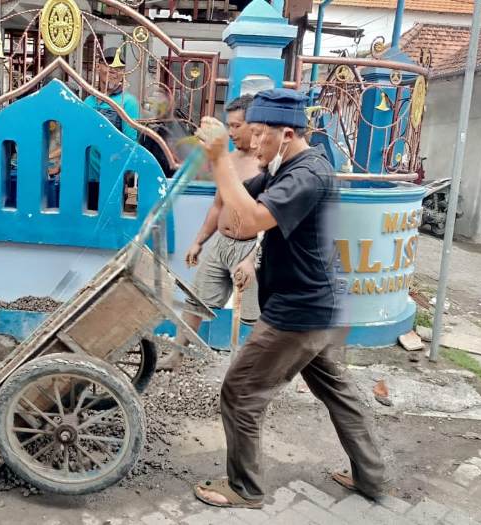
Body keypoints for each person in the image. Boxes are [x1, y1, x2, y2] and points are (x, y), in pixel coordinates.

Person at [192, 89, 387, 509]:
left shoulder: (307, 174)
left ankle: (245, 489)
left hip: (300, 310)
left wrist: (221, 159)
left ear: (285, 133)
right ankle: (372, 478)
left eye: (259, 134)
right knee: (339, 393)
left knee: (241, 391)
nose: (252, 143)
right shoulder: (282, 167)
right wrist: (218, 159)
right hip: (320, 307)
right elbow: (235, 211)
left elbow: (252, 219)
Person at [157, 94, 261, 371]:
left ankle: (242, 372)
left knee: (250, 315)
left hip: (252, 247)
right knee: (196, 301)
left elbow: (271, 219)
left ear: (254, 125)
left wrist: (252, 259)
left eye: (237, 126)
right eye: (229, 125)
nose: (231, 132)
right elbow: (217, 206)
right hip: (222, 243)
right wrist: (199, 241)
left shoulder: (265, 165)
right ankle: (176, 356)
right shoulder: (228, 159)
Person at [83, 46, 140, 211]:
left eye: (119, 67)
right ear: (98, 66)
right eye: (108, 64)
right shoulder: (88, 102)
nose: (113, 70)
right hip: (87, 177)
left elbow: (130, 142)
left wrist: (125, 175)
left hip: (112, 177)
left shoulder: (127, 103)